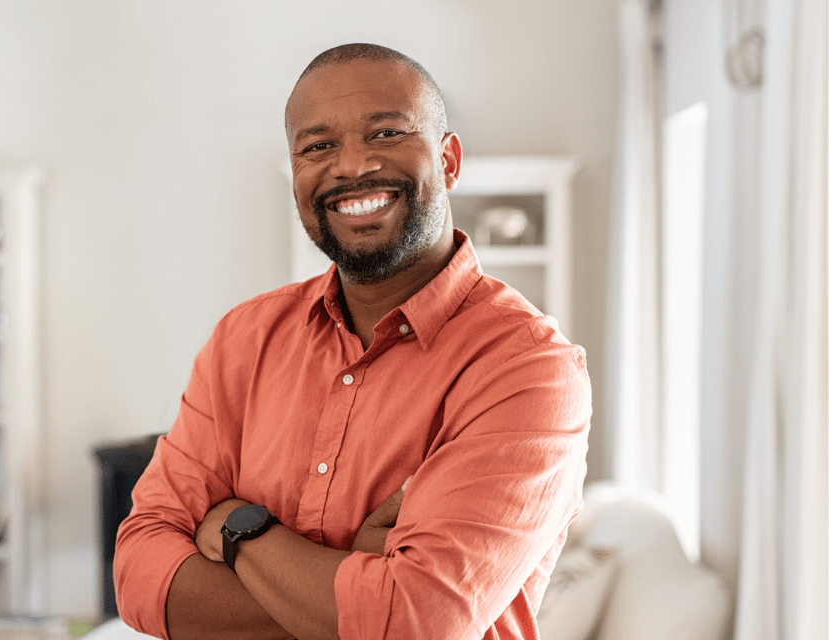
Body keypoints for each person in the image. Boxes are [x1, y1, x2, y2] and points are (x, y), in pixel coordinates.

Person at [114, 43, 591, 640]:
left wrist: (241, 528)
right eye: (317, 146)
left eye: (386, 134)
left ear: (448, 161)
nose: (351, 166)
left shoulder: (530, 370)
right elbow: (138, 577)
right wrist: (356, 587)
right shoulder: (244, 339)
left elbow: (414, 620)